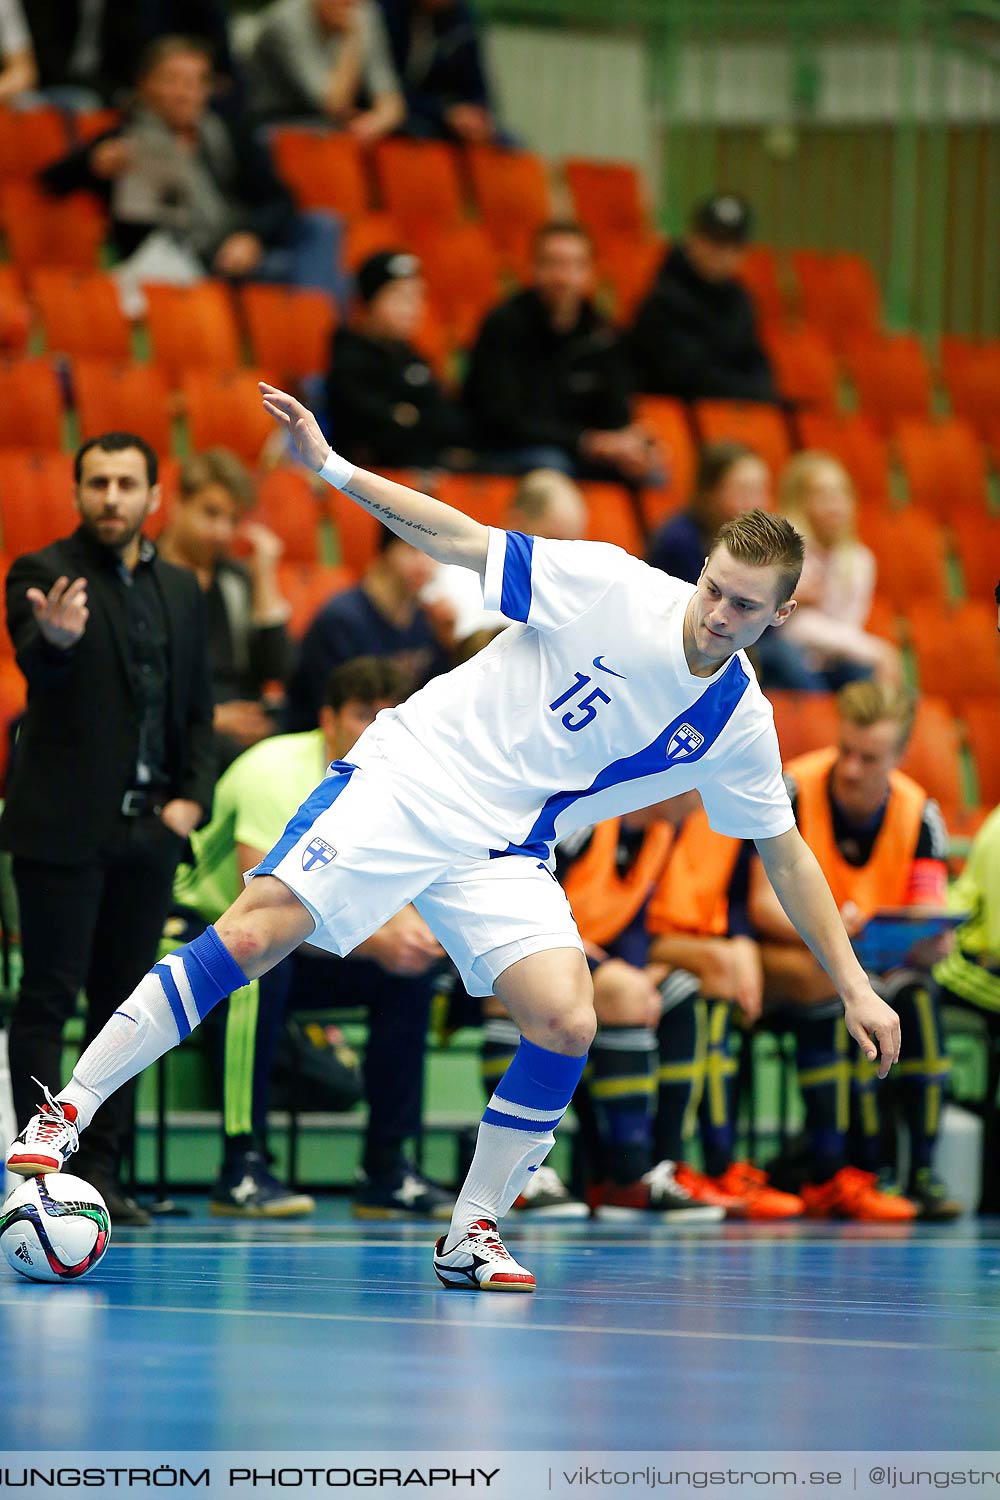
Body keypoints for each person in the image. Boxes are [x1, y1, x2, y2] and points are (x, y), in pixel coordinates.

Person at [8, 381, 902, 1296]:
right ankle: (62, 1113)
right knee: (251, 932)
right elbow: (462, 538)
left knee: (567, 1018)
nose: (719, 614)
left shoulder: (739, 721)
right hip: (417, 771)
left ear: (779, 617)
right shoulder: (613, 585)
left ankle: (472, 1229)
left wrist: (856, 988)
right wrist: (333, 468)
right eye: (716, 589)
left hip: (505, 844)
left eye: (746, 608)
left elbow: (785, 853)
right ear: (703, 567)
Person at [2, 431, 216, 1225]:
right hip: (61, 828)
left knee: (125, 1009)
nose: (112, 498)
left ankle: (99, 1176)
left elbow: (199, 713)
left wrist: (191, 800)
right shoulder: (42, 573)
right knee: (48, 998)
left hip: (149, 834)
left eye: (128, 483)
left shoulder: (186, 590)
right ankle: (35, 1173)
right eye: (98, 483)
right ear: (77, 491)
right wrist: (52, 644)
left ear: (154, 495)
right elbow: (38, 661)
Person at [169, 655, 451, 1218]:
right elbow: (262, 911)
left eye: (389, 716)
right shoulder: (273, 770)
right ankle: (241, 1166)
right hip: (201, 925)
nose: (376, 729)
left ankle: (386, 1167)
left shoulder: (405, 788)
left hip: (313, 942)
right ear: (327, 719)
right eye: (361, 715)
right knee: (255, 968)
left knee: (407, 979)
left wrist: (414, 939)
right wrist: (380, 940)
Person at [748, 680, 959, 1221]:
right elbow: (759, 905)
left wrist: (933, 940)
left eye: (869, 758)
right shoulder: (793, 788)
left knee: (917, 994)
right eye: (846, 750)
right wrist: (834, 933)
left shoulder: (920, 813)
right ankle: (831, 1168)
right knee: (826, 985)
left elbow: (929, 915)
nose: (852, 768)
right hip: (797, 958)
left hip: (879, 969)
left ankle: (917, 1174)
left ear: (898, 757)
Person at [41, 36, 341, 301]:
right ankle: (323, 348)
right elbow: (51, 180)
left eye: (196, 82)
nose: (185, 93)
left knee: (322, 225)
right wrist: (93, 163)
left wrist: (251, 236)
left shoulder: (225, 133)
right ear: (146, 84)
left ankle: (322, 343)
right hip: (183, 263)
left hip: (237, 246)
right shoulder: (126, 139)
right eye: (172, 80)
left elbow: (280, 199)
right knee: (315, 276)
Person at [463, 221, 660, 483]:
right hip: (508, 450)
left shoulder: (602, 333)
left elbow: (616, 410)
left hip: (579, 450)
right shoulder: (503, 325)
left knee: (651, 472)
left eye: (574, 265)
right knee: (552, 465)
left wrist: (629, 442)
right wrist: (586, 441)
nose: (562, 276)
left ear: (590, 272)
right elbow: (501, 419)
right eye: (552, 263)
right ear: (533, 268)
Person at [156, 449, 291, 768]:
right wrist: (209, 718)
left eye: (232, 520)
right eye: (211, 514)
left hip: (242, 723)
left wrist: (265, 579)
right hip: (175, 727)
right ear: (178, 505)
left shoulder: (234, 580)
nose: (222, 533)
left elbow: (276, 669)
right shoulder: (143, 575)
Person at [283, 523, 447, 732]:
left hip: (392, 736)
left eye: (432, 552)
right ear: (385, 552)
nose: (425, 564)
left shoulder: (428, 619)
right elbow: (332, 707)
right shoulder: (341, 619)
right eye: (412, 550)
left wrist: (448, 642)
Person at [325, 249, 470, 470]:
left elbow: (448, 422)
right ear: (370, 300)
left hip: (422, 469)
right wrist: (413, 420)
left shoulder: (414, 359)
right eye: (400, 296)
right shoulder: (347, 356)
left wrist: (411, 418)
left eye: (418, 296)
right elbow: (372, 428)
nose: (412, 307)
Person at [420, 467, 587, 658]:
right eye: (554, 540)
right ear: (515, 522)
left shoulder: (575, 600)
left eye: (572, 545)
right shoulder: (453, 579)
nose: (563, 558)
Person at [629, 192, 779, 404]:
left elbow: (757, 363)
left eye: (734, 245)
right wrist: (746, 392)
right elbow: (686, 375)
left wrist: (757, 392)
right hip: (674, 418)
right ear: (694, 239)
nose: (723, 254)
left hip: (729, 413)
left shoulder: (740, 300)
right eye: (716, 242)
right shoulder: (663, 300)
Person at [778, 451, 901, 691]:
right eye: (822, 495)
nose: (834, 505)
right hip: (788, 655)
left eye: (840, 494)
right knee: (791, 663)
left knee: (868, 679)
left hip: (834, 656)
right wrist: (876, 650)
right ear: (799, 502)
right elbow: (792, 628)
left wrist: (872, 652)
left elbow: (849, 624)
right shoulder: (786, 552)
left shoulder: (859, 559)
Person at [248, 0, 404, 139]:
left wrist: (372, 125)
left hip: (334, 125)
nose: (349, 3)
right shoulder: (285, 19)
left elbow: (392, 104)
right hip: (277, 121)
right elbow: (334, 105)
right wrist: (352, 39)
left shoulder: (364, 12)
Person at [379, 0, 503, 144]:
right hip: (407, 116)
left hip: (452, 122)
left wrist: (477, 115)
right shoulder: (387, 11)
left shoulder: (463, 19)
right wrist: (444, 112)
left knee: (508, 142)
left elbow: (478, 89)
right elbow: (385, 95)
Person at [648, 441, 770, 584]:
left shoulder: (753, 539)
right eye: (743, 492)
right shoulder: (679, 542)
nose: (757, 503)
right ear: (709, 493)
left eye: (761, 490)